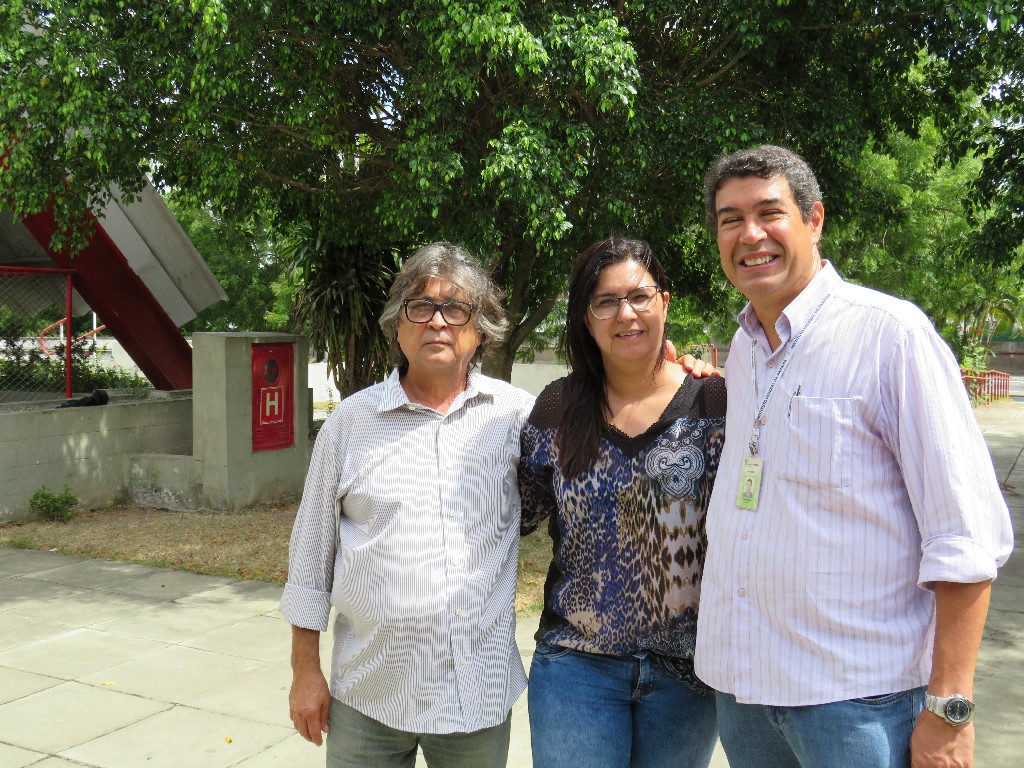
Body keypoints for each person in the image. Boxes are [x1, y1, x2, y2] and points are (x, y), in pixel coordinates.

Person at [694, 145, 1014, 767]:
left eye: (769, 212)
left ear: (814, 220)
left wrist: (950, 709)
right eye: (731, 220)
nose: (750, 234)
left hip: (857, 705)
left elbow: (966, 535)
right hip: (744, 691)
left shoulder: (891, 335)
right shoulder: (743, 348)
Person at [280, 243, 535, 768]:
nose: (437, 321)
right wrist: (305, 671)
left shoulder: (516, 417)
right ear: (398, 326)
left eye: (456, 308)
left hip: (476, 697)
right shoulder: (350, 424)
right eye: (420, 307)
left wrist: (669, 375)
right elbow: (310, 556)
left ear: (480, 330)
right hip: (368, 697)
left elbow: (595, 449)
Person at [519, 237, 726, 768]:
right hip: (577, 664)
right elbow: (511, 515)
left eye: (639, 296)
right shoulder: (558, 407)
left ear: (665, 303)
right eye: (606, 301)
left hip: (688, 672)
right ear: (586, 319)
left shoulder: (715, 401)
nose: (625, 313)